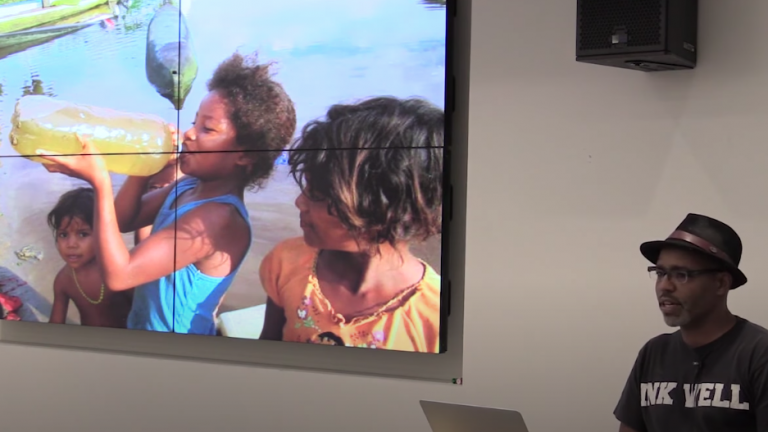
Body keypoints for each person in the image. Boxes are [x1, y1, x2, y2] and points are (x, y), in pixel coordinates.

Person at [37, 52, 297, 335]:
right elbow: (126, 219)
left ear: (245, 155)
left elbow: (120, 276)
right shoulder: (188, 185)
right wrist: (144, 164)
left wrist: (100, 182)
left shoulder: (217, 219)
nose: (188, 134)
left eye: (207, 129)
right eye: (195, 122)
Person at [258, 96, 444, 352]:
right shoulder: (286, 262)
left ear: (386, 209)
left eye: (319, 195)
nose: (300, 202)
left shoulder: (435, 317)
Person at [614, 213, 768, 432]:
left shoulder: (758, 354)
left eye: (682, 274)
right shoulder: (653, 353)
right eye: (660, 273)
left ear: (720, 283)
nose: (664, 286)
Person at [47, 187, 132, 328]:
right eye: (63, 235)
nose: (71, 244)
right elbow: (55, 324)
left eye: (83, 234)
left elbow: (144, 311)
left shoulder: (118, 271)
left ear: (103, 234)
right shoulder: (63, 280)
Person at [133, 155, 183, 245]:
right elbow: (143, 245)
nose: (163, 192)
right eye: (155, 187)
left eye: (172, 186)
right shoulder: (146, 220)